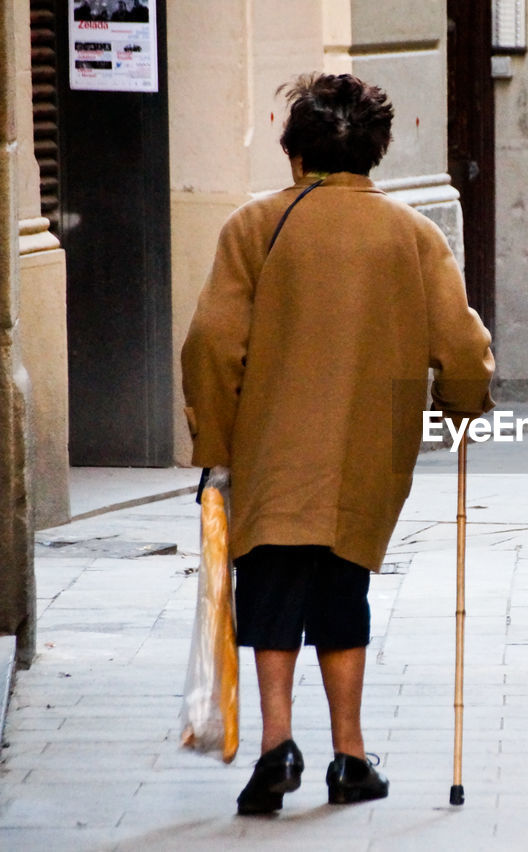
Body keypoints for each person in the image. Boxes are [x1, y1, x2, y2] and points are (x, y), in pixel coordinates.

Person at [181, 72, 494, 816]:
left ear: (295, 152)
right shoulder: (413, 235)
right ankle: (349, 755)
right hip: (364, 458)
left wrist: (216, 447)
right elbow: (464, 350)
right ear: (375, 153)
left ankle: (276, 746)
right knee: (340, 592)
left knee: (271, 593)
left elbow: (210, 346)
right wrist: (460, 409)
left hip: (270, 457)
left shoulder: (254, 228)